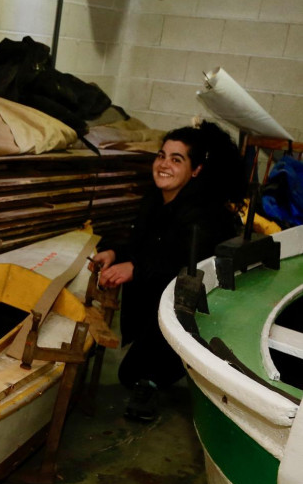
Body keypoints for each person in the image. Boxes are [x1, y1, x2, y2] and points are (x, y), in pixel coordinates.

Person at [90, 121, 245, 422]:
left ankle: (177, 364)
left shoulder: (204, 213)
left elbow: (185, 263)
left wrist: (135, 268)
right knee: (131, 371)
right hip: (157, 297)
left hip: (193, 306)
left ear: (196, 170)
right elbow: (141, 244)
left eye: (177, 159)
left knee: (134, 373)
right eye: (161, 156)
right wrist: (114, 253)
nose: (164, 165)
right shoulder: (156, 200)